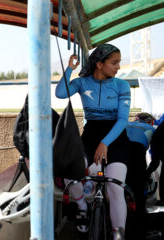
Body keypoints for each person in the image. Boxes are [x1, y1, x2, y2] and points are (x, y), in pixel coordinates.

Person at [55, 43, 131, 237]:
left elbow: (123, 120)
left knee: (115, 187)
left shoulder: (122, 85)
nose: (118, 67)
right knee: (70, 170)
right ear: (99, 64)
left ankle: (118, 234)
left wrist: (105, 143)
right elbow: (60, 93)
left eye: (118, 63)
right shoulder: (82, 83)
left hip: (116, 136)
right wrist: (70, 69)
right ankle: (82, 206)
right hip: (90, 135)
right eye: (114, 63)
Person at [125, 112, 155, 239]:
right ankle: (140, 227)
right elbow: (155, 155)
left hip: (119, 155)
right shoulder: (151, 129)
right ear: (149, 122)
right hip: (137, 156)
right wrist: (147, 174)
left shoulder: (126, 123)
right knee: (139, 192)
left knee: (120, 189)